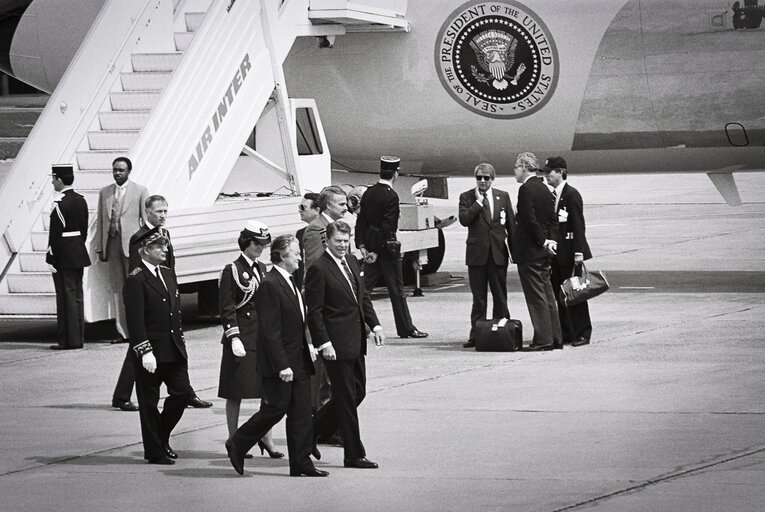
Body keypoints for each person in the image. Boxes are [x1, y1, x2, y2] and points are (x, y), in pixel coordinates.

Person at [228, 235, 327, 477]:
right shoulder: (270, 284)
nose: (300, 257)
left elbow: (297, 321)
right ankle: (238, 443)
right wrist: (282, 365)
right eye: (295, 253)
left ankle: (301, 462)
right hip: (281, 363)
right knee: (275, 409)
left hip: (300, 359)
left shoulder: (290, 281)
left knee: (302, 413)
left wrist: (310, 345)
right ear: (282, 256)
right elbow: (270, 332)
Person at [111, 195, 211, 411]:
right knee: (138, 349)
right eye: (158, 211)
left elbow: (168, 268)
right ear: (147, 211)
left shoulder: (164, 234)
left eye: (166, 211)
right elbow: (139, 275)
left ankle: (123, 395)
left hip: (167, 300)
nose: (163, 215)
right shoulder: (139, 238)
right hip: (150, 304)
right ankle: (122, 396)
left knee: (145, 350)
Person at [307, 221, 384, 469]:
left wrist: (375, 325)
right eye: (337, 241)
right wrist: (323, 342)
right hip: (335, 345)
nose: (342, 245)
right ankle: (353, 453)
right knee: (346, 398)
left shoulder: (351, 261)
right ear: (327, 241)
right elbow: (315, 312)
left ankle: (309, 431)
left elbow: (362, 298)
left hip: (356, 340)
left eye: (345, 240)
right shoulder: (319, 268)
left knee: (357, 392)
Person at [123, 227, 193, 465]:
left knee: (182, 393)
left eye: (165, 245)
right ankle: (155, 451)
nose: (165, 249)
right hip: (151, 352)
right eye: (159, 246)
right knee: (149, 404)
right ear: (145, 250)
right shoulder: (136, 279)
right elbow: (135, 320)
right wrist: (144, 351)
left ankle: (159, 436)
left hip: (173, 348)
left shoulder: (168, 273)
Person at [218, 221, 283, 459]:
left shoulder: (263, 268)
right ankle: (233, 438)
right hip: (241, 338)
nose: (260, 248)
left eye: (263, 244)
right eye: (256, 243)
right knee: (235, 391)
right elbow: (226, 308)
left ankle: (266, 437)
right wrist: (233, 336)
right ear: (245, 242)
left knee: (267, 390)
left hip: (262, 338)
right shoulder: (232, 270)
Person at [355, 156, 428, 339]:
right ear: (396, 173)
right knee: (397, 290)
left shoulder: (369, 193)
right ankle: (406, 328)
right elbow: (388, 227)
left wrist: (362, 245)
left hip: (370, 246)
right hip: (385, 250)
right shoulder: (391, 196)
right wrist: (377, 251)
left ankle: (355, 324)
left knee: (363, 290)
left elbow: (361, 221)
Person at [301, 186, 348, 417]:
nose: (346, 207)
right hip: (324, 304)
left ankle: (328, 418)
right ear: (328, 205)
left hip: (339, 305)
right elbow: (313, 269)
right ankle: (322, 418)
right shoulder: (315, 230)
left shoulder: (337, 229)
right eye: (341, 203)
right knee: (324, 367)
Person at [458, 163, 515, 348]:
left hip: (498, 254)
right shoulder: (466, 197)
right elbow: (464, 220)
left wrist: (515, 252)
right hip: (477, 255)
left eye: (486, 178)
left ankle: (502, 332)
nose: (483, 181)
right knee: (479, 298)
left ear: (492, 179)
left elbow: (511, 227)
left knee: (500, 296)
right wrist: (478, 202)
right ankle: (476, 334)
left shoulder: (503, 196)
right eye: (479, 178)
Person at [511, 152, 563, 351]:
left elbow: (529, 219)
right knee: (548, 295)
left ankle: (543, 339)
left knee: (536, 297)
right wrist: (550, 241)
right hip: (543, 252)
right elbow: (552, 219)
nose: (515, 171)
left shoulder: (526, 189)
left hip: (530, 251)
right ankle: (556, 337)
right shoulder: (545, 188)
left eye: (516, 167)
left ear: (524, 167)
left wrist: (542, 241)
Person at [96, 156, 148, 342]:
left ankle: (140, 331)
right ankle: (123, 331)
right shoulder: (105, 193)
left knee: (135, 289)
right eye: (115, 170)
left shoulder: (140, 191)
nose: (117, 173)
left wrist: (144, 247)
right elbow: (102, 221)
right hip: (112, 244)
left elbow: (146, 222)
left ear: (128, 172)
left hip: (132, 247)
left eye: (121, 170)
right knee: (119, 289)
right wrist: (101, 248)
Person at [545, 157, 593, 347]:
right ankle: (567, 331)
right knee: (561, 295)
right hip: (557, 254)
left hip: (571, 254)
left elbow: (579, 226)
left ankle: (583, 332)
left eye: (550, 172)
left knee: (576, 294)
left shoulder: (571, 194)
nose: (547, 176)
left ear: (561, 172)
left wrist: (579, 253)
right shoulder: (553, 196)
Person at [46, 164, 91, 350]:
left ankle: (68, 340)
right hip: (78, 252)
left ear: (60, 179)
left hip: (64, 254)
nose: (52, 182)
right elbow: (84, 230)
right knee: (76, 297)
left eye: (54, 178)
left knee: (66, 299)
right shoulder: (81, 200)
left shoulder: (60, 203)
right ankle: (77, 339)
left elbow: (55, 235)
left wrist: (51, 257)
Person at [294, 192, 320, 290]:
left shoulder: (330, 232)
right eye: (299, 207)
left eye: (303, 207)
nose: (299, 210)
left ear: (317, 210)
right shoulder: (300, 234)